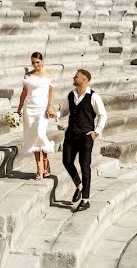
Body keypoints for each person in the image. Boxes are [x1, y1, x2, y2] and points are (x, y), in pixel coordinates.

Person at [51, 69, 107, 212]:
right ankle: (79, 186)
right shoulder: (71, 94)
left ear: (84, 80)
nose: (73, 77)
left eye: (76, 76)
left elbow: (102, 115)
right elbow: (65, 111)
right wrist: (55, 114)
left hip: (86, 136)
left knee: (85, 166)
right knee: (67, 161)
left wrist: (96, 132)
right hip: (71, 134)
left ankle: (85, 200)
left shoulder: (94, 96)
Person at [16, 52, 56, 180]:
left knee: (40, 133)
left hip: (42, 108)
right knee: (33, 136)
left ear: (42, 61)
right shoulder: (28, 75)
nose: (35, 65)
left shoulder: (49, 73)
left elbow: (51, 92)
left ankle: (44, 161)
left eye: (37, 62)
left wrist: (50, 106)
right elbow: (23, 93)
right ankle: (39, 165)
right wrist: (19, 108)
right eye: (33, 63)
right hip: (29, 108)